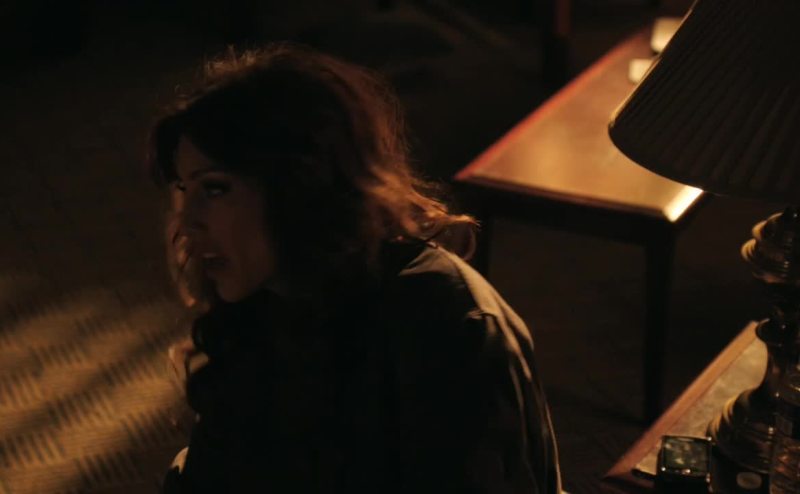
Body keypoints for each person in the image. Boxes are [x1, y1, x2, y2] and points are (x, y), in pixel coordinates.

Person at [148, 43, 561, 493]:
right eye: (183, 189)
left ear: (299, 185)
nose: (186, 221)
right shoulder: (266, 302)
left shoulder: (440, 325)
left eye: (215, 188)